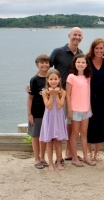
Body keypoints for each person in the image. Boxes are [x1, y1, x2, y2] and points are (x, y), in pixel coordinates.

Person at [26, 27, 83, 161]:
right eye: (75, 34)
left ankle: (68, 152)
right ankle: (43, 158)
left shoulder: (80, 54)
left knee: (68, 125)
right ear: (69, 35)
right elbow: (45, 67)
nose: (77, 37)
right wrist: (33, 81)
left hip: (72, 95)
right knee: (53, 124)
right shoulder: (58, 52)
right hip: (55, 94)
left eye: (79, 35)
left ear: (82, 38)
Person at [66, 54, 95, 167]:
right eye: (78, 62)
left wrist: (89, 106)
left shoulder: (88, 77)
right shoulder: (71, 77)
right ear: (74, 63)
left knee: (84, 133)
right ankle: (74, 157)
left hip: (86, 109)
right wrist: (69, 110)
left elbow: (87, 93)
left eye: (83, 62)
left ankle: (86, 157)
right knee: (74, 133)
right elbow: (68, 95)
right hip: (75, 109)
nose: (81, 64)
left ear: (86, 64)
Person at [39, 69, 68, 171]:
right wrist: (52, 94)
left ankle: (59, 162)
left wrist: (56, 94)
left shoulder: (63, 92)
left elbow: (60, 106)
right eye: (51, 79)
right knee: (49, 142)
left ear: (59, 79)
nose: (53, 81)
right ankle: (50, 162)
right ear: (47, 80)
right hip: (49, 119)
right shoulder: (44, 92)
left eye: (55, 79)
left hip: (58, 118)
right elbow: (49, 106)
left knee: (58, 142)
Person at [86, 38, 104, 162]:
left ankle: (97, 152)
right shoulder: (87, 61)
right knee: (89, 124)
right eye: (97, 48)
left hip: (101, 96)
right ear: (93, 49)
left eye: (101, 48)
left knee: (100, 123)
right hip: (88, 95)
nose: (99, 50)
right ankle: (89, 152)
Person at [27, 54, 50, 169]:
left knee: (44, 136)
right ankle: (36, 158)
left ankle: (42, 157)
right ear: (37, 64)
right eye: (42, 62)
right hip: (36, 112)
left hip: (48, 113)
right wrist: (29, 114)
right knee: (35, 136)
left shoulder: (51, 78)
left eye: (46, 62)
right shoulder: (34, 80)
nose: (44, 64)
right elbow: (30, 98)